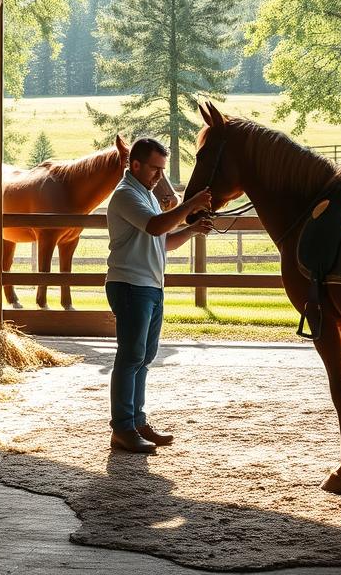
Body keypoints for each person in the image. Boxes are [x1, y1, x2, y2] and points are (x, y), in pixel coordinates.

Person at [105, 137, 214, 453]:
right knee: (131, 357)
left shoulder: (147, 196)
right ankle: (123, 428)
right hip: (131, 285)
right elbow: (154, 228)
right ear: (135, 164)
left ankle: (136, 421)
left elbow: (161, 241)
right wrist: (189, 206)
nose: (159, 176)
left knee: (143, 357)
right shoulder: (126, 195)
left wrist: (191, 230)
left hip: (149, 285)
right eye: (155, 169)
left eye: (161, 170)